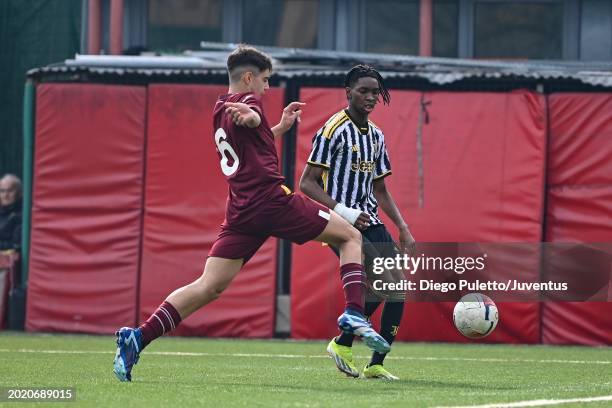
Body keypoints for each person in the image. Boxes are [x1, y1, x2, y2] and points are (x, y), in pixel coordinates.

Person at [113, 46, 390, 382]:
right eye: (265, 80)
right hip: (270, 201)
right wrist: (256, 117)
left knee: (209, 286)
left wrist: (277, 128)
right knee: (351, 235)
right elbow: (252, 115)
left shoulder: (219, 110)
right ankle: (354, 313)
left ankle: (137, 339)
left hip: (242, 211)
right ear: (248, 78)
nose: (267, 87)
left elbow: (250, 138)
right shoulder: (248, 103)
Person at [300, 65, 415, 380]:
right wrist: (345, 211)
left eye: (374, 92)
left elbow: (380, 188)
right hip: (342, 224)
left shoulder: (376, 135)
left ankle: (370, 359)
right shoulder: (333, 129)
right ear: (348, 92)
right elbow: (306, 183)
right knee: (385, 283)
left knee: (395, 288)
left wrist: (403, 226)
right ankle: (344, 343)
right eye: (363, 91)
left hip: (371, 219)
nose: (370, 97)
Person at [0, 174, 22, 251]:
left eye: (10, 191)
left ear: (19, 193)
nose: (5, 195)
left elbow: (16, 245)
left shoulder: (22, 215)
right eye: (2, 191)